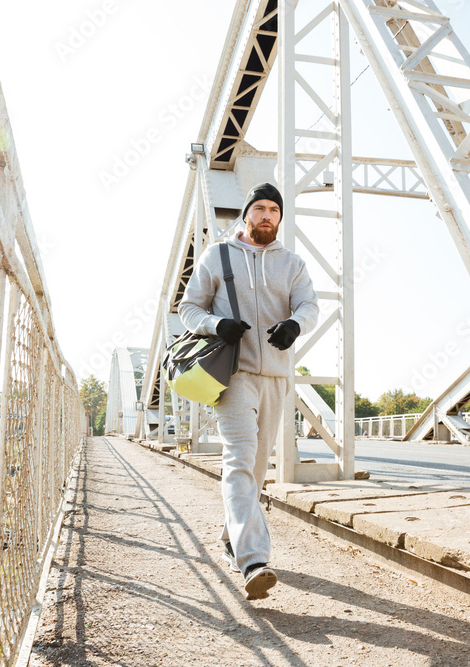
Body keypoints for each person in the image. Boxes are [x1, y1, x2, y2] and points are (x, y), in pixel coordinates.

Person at [178, 182, 319, 599]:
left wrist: (296, 324)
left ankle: (230, 535)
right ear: (246, 215)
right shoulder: (217, 257)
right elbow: (189, 308)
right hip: (233, 374)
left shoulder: (292, 263)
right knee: (239, 459)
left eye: (274, 209)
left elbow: (309, 305)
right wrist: (216, 324)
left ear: (280, 218)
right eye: (259, 208)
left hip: (276, 376)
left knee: (257, 467)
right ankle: (254, 559)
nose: (267, 215)